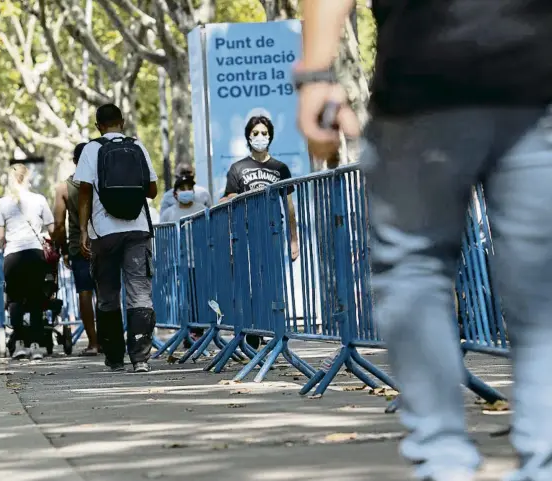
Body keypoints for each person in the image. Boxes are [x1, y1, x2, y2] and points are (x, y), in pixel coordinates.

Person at [296, 1, 552, 481]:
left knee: (414, 269)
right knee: (543, 291)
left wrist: (314, 75)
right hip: (533, 76)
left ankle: (443, 462)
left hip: (424, 75)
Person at [74, 103, 159, 373]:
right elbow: (153, 190)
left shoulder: (91, 149)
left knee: (108, 294)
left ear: (98, 125)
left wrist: (84, 230)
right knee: (139, 292)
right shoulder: (137, 146)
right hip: (137, 230)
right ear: (122, 122)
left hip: (104, 233)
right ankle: (141, 359)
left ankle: (113, 357)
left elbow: (84, 192)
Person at [221, 115, 300, 349]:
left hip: (273, 232)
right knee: (249, 284)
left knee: (270, 284)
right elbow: (229, 200)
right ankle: (252, 332)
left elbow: (289, 205)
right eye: (255, 133)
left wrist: (294, 238)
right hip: (245, 234)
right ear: (248, 136)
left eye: (264, 133)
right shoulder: (238, 168)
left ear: (271, 136)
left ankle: (270, 330)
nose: (260, 137)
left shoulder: (279, 168)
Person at [0, 164, 55, 361]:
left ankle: (19, 343)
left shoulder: (2, 203)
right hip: (35, 254)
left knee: (15, 300)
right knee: (37, 299)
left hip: (13, 256)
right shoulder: (39, 200)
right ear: (27, 178)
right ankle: (36, 345)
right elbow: (52, 228)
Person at [53, 142, 99, 356]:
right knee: (107, 291)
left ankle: (93, 342)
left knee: (84, 292)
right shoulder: (101, 182)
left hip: (77, 246)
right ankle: (110, 339)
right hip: (102, 241)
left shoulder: (64, 187)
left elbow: (59, 224)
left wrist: (62, 250)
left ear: (74, 161)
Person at [160, 175, 206, 344]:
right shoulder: (168, 214)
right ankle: (185, 329)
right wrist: (163, 262)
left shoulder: (201, 209)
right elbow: (163, 241)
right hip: (177, 264)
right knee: (181, 299)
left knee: (197, 298)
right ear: (175, 193)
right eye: (182, 188)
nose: (186, 191)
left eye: (189, 188)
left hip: (198, 262)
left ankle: (196, 332)